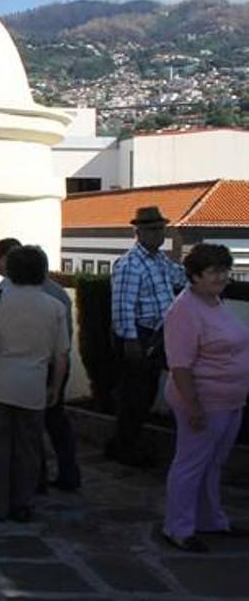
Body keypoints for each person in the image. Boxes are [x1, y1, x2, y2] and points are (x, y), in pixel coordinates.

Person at [0, 245, 69, 522]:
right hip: (31, 385)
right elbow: (61, 354)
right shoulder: (55, 306)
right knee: (28, 449)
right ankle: (23, 502)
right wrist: (55, 387)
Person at [162, 243, 249, 552]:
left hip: (229, 401)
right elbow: (180, 365)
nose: (222, 276)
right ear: (195, 276)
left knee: (213, 464)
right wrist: (193, 407)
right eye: (214, 271)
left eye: (225, 270)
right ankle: (178, 528)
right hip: (202, 403)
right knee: (190, 464)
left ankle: (211, 519)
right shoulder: (184, 310)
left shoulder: (214, 302)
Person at [0, 238, 81, 492]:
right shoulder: (58, 294)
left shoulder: (9, 293)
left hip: (34, 368)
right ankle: (66, 473)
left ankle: (35, 479)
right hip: (54, 366)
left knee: (29, 427)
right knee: (53, 422)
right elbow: (63, 345)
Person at [109, 205, 187, 466]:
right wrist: (130, 341)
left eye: (160, 228)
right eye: (152, 229)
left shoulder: (160, 260)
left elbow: (181, 279)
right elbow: (122, 306)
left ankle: (125, 445)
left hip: (156, 334)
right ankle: (125, 448)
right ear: (139, 232)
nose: (158, 234)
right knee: (135, 395)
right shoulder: (131, 264)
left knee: (146, 392)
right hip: (139, 335)